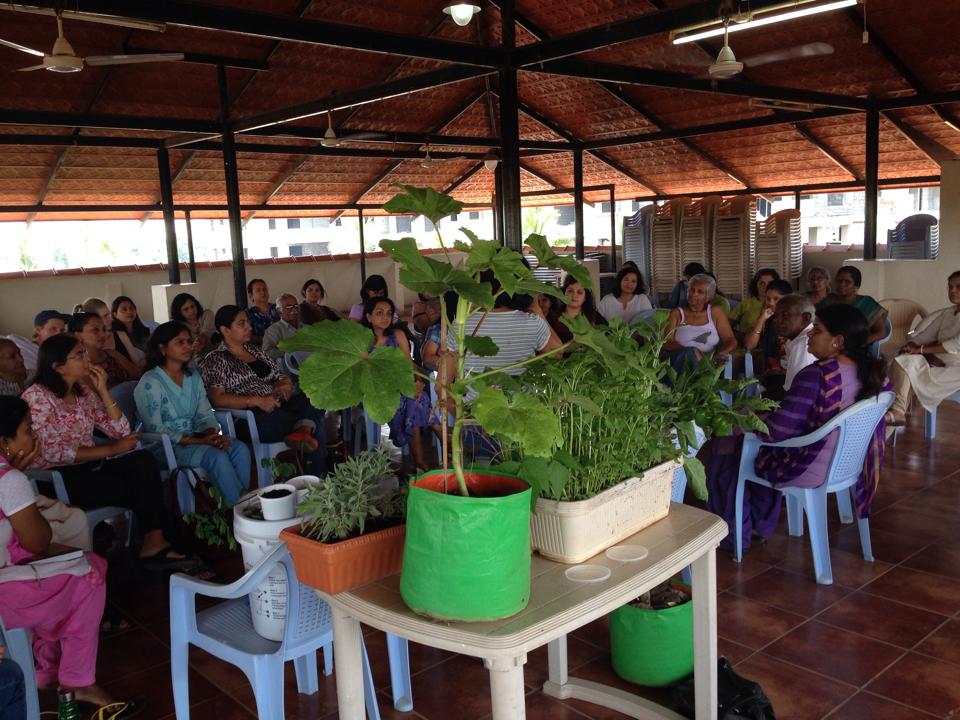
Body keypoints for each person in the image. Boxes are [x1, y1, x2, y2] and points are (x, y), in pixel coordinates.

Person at [0, 396, 141, 718]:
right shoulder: (9, 480)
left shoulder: (9, 476)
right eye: (26, 429)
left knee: (64, 575)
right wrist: (16, 478)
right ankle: (75, 678)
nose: (33, 435)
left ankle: (48, 671)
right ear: (5, 441)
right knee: (90, 572)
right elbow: (37, 541)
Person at [705, 304, 888, 552]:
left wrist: (740, 424)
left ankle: (734, 534)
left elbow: (776, 432)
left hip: (806, 464)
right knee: (745, 443)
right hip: (845, 463)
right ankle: (758, 525)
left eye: (817, 330)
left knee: (726, 445)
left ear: (838, 341)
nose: (810, 334)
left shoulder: (817, 375)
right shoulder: (871, 372)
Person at [22, 334, 187, 567]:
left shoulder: (82, 391)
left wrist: (103, 391)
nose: (86, 358)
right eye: (79, 355)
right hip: (55, 477)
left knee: (142, 460)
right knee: (141, 487)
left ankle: (155, 540)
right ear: (57, 366)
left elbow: (121, 430)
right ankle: (159, 540)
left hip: (90, 467)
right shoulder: (37, 396)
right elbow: (52, 451)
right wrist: (112, 449)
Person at [200, 306, 326, 476]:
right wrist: (255, 400)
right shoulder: (216, 359)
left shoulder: (254, 351)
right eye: (241, 324)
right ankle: (317, 474)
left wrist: (284, 385)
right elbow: (217, 399)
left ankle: (304, 430)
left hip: (279, 405)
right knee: (315, 424)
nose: (249, 328)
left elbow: (281, 375)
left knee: (316, 396)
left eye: (248, 323)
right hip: (250, 417)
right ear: (225, 330)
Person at [135, 323, 251, 505]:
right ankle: (241, 510)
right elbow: (155, 428)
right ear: (162, 348)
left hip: (196, 440)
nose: (187, 346)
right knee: (216, 456)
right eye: (179, 342)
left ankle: (234, 508)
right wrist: (202, 441)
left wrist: (212, 435)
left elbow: (204, 412)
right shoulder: (150, 381)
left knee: (239, 449)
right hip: (163, 448)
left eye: (189, 341)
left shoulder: (193, 376)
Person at [362, 297, 435, 469]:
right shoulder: (362, 342)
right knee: (413, 403)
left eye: (388, 313)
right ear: (368, 317)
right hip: (378, 391)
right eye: (379, 313)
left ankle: (419, 462)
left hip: (404, 388)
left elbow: (408, 365)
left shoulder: (397, 335)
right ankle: (422, 461)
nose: (385, 317)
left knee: (415, 399)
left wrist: (417, 383)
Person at [886, 271, 960, 427]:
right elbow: (924, 336)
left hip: (956, 368)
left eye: (958, 287)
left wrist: (921, 351)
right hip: (938, 361)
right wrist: (911, 346)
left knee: (905, 368)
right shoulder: (948, 313)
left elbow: (955, 344)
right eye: (950, 287)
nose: (953, 291)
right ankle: (896, 413)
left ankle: (895, 413)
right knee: (901, 360)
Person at [662, 273, 737, 373]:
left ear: (708, 296)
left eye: (700, 291)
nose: (694, 294)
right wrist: (691, 350)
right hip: (679, 363)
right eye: (691, 289)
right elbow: (666, 343)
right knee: (689, 353)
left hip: (709, 361)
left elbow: (731, 340)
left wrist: (719, 354)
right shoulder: (677, 314)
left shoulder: (715, 312)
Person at [69, 313, 140, 388]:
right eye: (95, 330)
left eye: (104, 329)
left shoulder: (112, 354)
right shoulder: (79, 367)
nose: (103, 334)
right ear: (77, 335)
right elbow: (99, 393)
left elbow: (138, 375)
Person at [821, 265, 888, 344]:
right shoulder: (828, 300)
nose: (842, 284)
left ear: (856, 286)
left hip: (856, 346)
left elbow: (881, 333)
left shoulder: (867, 303)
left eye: (847, 281)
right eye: (839, 281)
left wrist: (859, 343)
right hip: (830, 344)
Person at [771, 294, 818, 394]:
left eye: (785, 316)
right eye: (776, 316)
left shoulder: (804, 344)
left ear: (805, 318)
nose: (777, 321)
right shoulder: (798, 338)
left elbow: (794, 392)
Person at [5, 309, 69, 381]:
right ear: (38, 330)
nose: (58, 334)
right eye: (53, 329)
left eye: (62, 330)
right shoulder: (23, 348)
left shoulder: (60, 353)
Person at [75, 298, 142, 366]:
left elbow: (138, 362)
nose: (110, 319)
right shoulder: (86, 345)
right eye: (105, 316)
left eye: (109, 315)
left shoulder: (120, 334)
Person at [547, 275, 607, 344]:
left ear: (585, 298)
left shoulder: (594, 317)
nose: (574, 295)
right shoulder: (553, 316)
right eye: (570, 291)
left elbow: (606, 339)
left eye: (579, 292)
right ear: (563, 293)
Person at [728, 268, 780, 340]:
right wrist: (740, 336)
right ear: (756, 285)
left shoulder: (781, 304)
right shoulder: (746, 304)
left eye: (770, 284)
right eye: (762, 283)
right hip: (746, 348)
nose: (766, 287)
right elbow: (727, 326)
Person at [170, 292, 216, 359]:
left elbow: (207, 332)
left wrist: (200, 340)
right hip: (194, 361)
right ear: (179, 312)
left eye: (192, 306)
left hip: (215, 356)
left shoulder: (207, 314)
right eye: (186, 309)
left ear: (196, 305)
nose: (191, 311)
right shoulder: (178, 326)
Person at [262, 294, 302, 362]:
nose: (294, 309)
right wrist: (290, 354)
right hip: (290, 368)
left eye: (296, 306)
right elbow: (266, 352)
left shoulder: (304, 327)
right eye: (289, 307)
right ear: (279, 311)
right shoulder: (273, 330)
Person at [245, 279, 280, 344]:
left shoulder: (278, 308)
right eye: (258, 290)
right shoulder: (247, 314)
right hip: (260, 349)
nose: (263, 292)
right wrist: (269, 339)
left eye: (265, 289)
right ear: (251, 295)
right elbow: (248, 337)